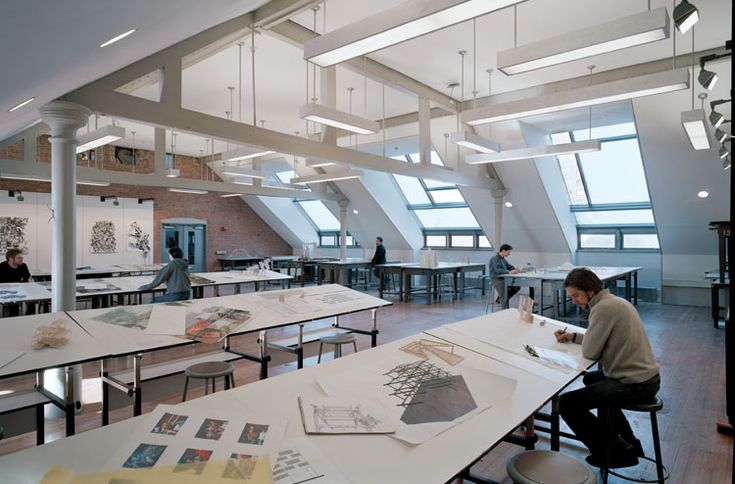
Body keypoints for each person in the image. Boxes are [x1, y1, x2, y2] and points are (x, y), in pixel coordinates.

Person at [554, 268, 660, 469]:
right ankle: (628, 442)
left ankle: (617, 453)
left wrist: (584, 341)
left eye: (576, 295)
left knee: (566, 403)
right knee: (590, 380)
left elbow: (591, 352)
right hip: (646, 378)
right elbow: (602, 341)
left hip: (636, 385)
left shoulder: (602, 309)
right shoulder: (614, 301)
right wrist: (574, 337)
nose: (574, 300)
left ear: (590, 290)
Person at [0, 248, 32, 317]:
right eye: (19, 258)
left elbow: (27, 278)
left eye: (22, 257)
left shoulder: (23, 266)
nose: (21, 259)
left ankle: (29, 318)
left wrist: (22, 284)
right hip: (5, 291)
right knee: (13, 304)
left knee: (32, 301)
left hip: (19, 289)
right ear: (11, 259)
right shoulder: (2, 266)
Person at [488, 244, 521, 308]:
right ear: (503, 251)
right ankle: (504, 309)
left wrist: (517, 269)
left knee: (516, 287)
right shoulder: (494, 259)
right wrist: (509, 272)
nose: (509, 254)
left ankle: (500, 299)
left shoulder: (502, 259)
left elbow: (509, 266)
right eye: (508, 252)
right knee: (504, 294)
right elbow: (497, 271)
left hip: (503, 278)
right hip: (496, 279)